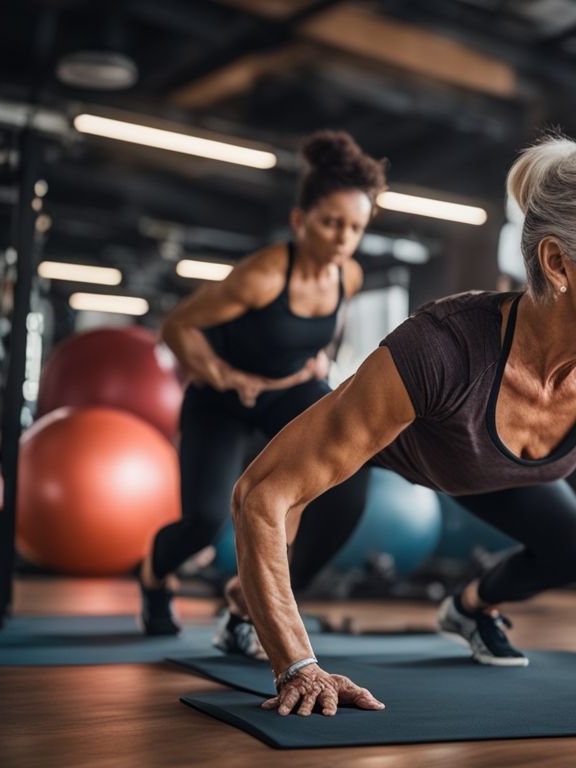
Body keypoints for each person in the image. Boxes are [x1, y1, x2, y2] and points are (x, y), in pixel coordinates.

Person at [228, 136, 576, 717]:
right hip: (393, 445)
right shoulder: (441, 350)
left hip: (482, 466)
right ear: (558, 263)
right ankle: (243, 609)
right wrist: (297, 665)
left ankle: (470, 609)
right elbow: (260, 493)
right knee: (315, 540)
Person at [138, 130, 387, 654]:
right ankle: (155, 574)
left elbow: (328, 326)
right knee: (204, 523)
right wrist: (226, 376)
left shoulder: (350, 276)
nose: (344, 238)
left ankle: (255, 604)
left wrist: (320, 358)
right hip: (221, 400)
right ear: (300, 221)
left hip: (288, 391)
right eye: (331, 222)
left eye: (356, 227)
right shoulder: (264, 276)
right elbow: (178, 326)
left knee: (346, 488)